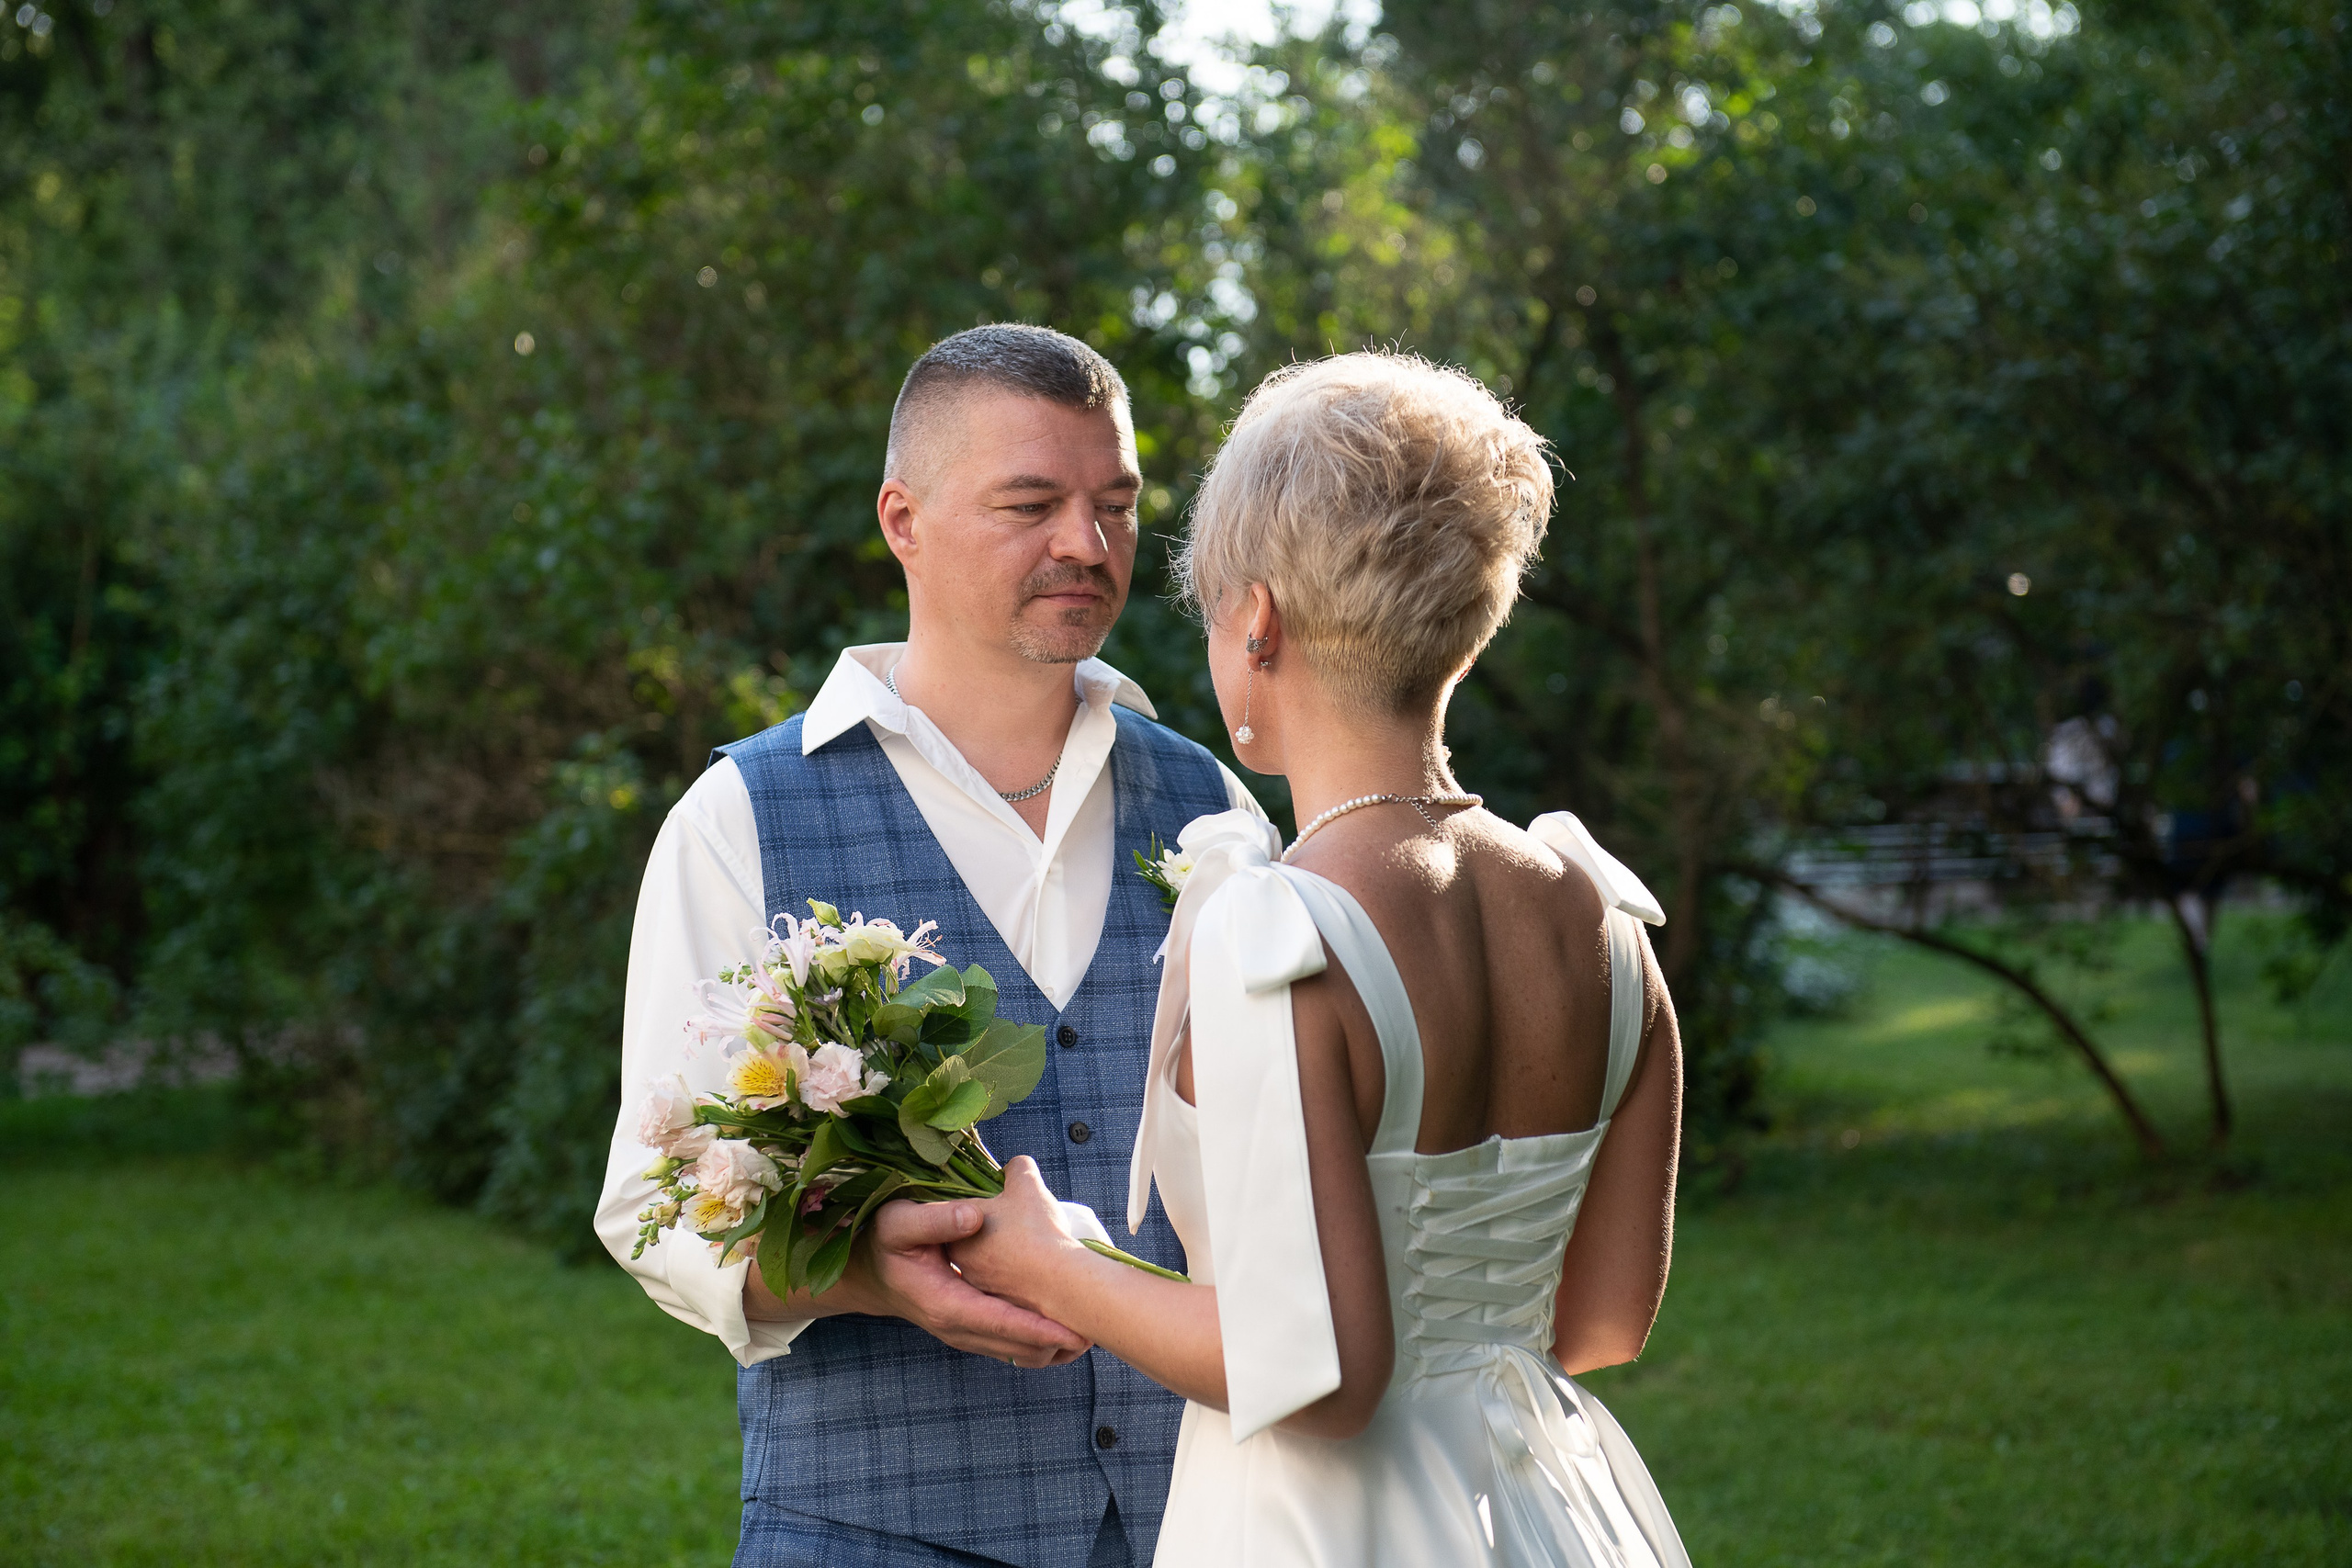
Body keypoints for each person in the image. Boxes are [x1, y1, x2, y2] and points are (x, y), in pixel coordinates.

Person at [946, 351, 1692, 1566]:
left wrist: (1053, 1265)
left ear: (1259, 622)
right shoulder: (1601, 915)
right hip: (1546, 1512)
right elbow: (1603, 1322)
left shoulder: (1281, 934)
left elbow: (1320, 1379)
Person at [594, 324, 1266, 1568]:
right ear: (902, 520)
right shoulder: (740, 818)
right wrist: (867, 1273)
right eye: (1032, 504)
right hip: (873, 1529)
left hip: (1205, 1522)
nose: (1088, 543)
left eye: (1116, 505)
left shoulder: (1215, 811)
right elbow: (650, 1206)